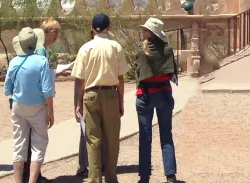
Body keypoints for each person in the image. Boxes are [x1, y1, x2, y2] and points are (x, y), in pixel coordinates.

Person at [72, 14, 126, 183]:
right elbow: (121, 77)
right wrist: (121, 100)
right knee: (112, 139)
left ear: (92, 27)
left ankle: (95, 178)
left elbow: (79, 79)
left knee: (93, 140)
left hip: (91, 95)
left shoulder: (85, 48)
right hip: (111, 94)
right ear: (108, 27)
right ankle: (111, 178)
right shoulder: (115, 47)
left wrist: (77, 103)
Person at [6, 26, 56, 183]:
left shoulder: (14, 62)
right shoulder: (41, 61)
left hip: (18, 106)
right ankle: (33, 180)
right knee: (39, 144)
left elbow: (8, 89)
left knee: (19, 145)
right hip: (37, 107)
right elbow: (47, 90)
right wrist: (51, 112)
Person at [135, 18, 179, 183]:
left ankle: (144, 177)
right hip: (164, 94)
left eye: (145, 30)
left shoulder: (142, 51)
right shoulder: (167, 50)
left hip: (145, 96)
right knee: (166, 135)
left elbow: (138, 73)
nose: (142, 32)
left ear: (151, 33)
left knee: (145, 136)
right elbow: (172, 72)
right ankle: (170, 175)